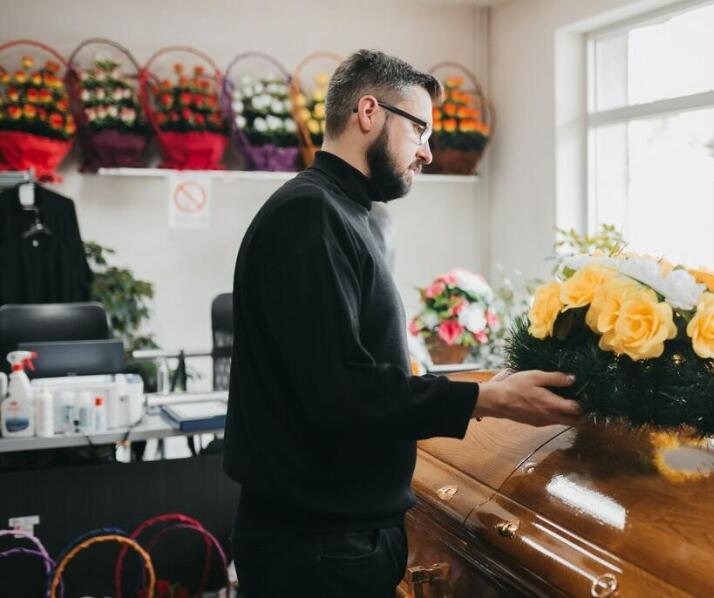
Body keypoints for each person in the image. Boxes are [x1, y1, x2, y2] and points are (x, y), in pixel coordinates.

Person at [223, 50, 581, 597]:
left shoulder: (342, 212)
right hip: (317, 546)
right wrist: (486, 400)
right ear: (369, 112)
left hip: (336, 536)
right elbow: (341, 393)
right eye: (419, 130)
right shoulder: (312, 216)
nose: (428, 153)